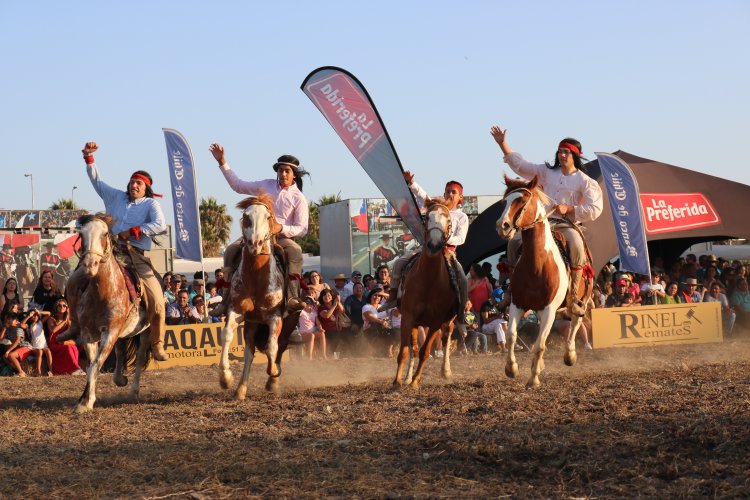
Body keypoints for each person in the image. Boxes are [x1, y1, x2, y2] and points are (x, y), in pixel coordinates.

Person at [64, 142, 169, 361]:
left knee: (158, 301)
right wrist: (89, 159)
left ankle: (157, 344)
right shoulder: (116, 197)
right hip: (107, 252)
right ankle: (75, 324)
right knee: (73, 282)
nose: (133, 185)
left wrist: (134, 231)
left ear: (146, 187)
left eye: (138, 183)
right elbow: (98, 182)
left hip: (135, 254)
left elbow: (160, 224)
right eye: (132, 182)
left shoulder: (150, 204)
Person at [491, 125, 603, 315]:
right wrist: (503, 145)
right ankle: (511, 290)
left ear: (575, 155)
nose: (562, 155)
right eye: (560, 151)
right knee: (513, 243)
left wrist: (570, 209)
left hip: (567, 224)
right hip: (541, 222)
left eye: (566, 152)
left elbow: (595, 208)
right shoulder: (546, 171)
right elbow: (521, 166)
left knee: (576, 244)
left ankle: (573, 296)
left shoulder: (584, 181)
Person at [210, 144, 309, 309]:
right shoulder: (266, 185)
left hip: (282, 238)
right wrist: (222, 162)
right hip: (257, 234)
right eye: (280, 170)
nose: (283, 174)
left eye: (287, 171)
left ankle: (292, 297)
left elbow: (302, 229)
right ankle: (226, 298)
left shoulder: (299, 198)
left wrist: (281, 228)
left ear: (294, 175)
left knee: (296, 252)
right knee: (229, 251)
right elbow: (238, 186)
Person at [385, 171, 470, 319]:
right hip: (426, 249)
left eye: (453, 192)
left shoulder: (461, 216)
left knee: (462, 279)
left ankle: (461, 312)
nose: (450, 194)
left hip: (447, 253)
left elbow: (461, 238)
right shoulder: (436, 207)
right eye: (448, 191)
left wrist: (444, 240)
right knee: (399, 263)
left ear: (460, 197)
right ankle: (392, 297)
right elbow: (422, 196)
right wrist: (411, 183)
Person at [46, 298, 83, 375]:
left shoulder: (68, 319)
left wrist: (69, 317)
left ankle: (74, 369)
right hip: (54, 342)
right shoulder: (51, 319)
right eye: (59, 305)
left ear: (67, 308)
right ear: (56, 307)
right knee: (68, 347)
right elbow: (53, 330)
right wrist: (64, 321)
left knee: (74, 347)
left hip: (63, 341)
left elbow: (72, 330)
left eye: (64, 305)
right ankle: (75, 369)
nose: (62, 307)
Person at [20, 307, 52, 376]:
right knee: (40, 352)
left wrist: (39, 312)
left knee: (48, 351)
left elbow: (49, 314)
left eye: (36, 315)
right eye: (34, 315)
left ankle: (51, 371)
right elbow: (21, 324)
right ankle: (38, 371)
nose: (35, 317)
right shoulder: (29, 326)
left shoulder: (40, 323)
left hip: (44, 345)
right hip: (34, 347)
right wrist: (29, 316)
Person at [1, 310, 33, 377]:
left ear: (16, 320)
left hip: (25, 347)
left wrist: (8, 351)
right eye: (8, 319)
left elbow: (17, 341)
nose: (9, 321)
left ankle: (21, 372)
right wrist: (4, 328)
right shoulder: (7, 329)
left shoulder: (18, 328)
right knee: (4, 357)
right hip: (18, 348)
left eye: (11, 319)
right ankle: (20, 371)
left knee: (11, 355)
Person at [298, 296, 327, 360]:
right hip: (303, 335)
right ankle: (310, 357)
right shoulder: (301, 312)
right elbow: (298, 309)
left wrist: (320, 328)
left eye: (310, 304)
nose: (309, 306)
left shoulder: (314, 312)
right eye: (307, 304)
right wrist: (302, 305)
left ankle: (323, 355)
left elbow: (318, 322)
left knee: (322, 334)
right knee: (311, 335)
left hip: (312, 333)